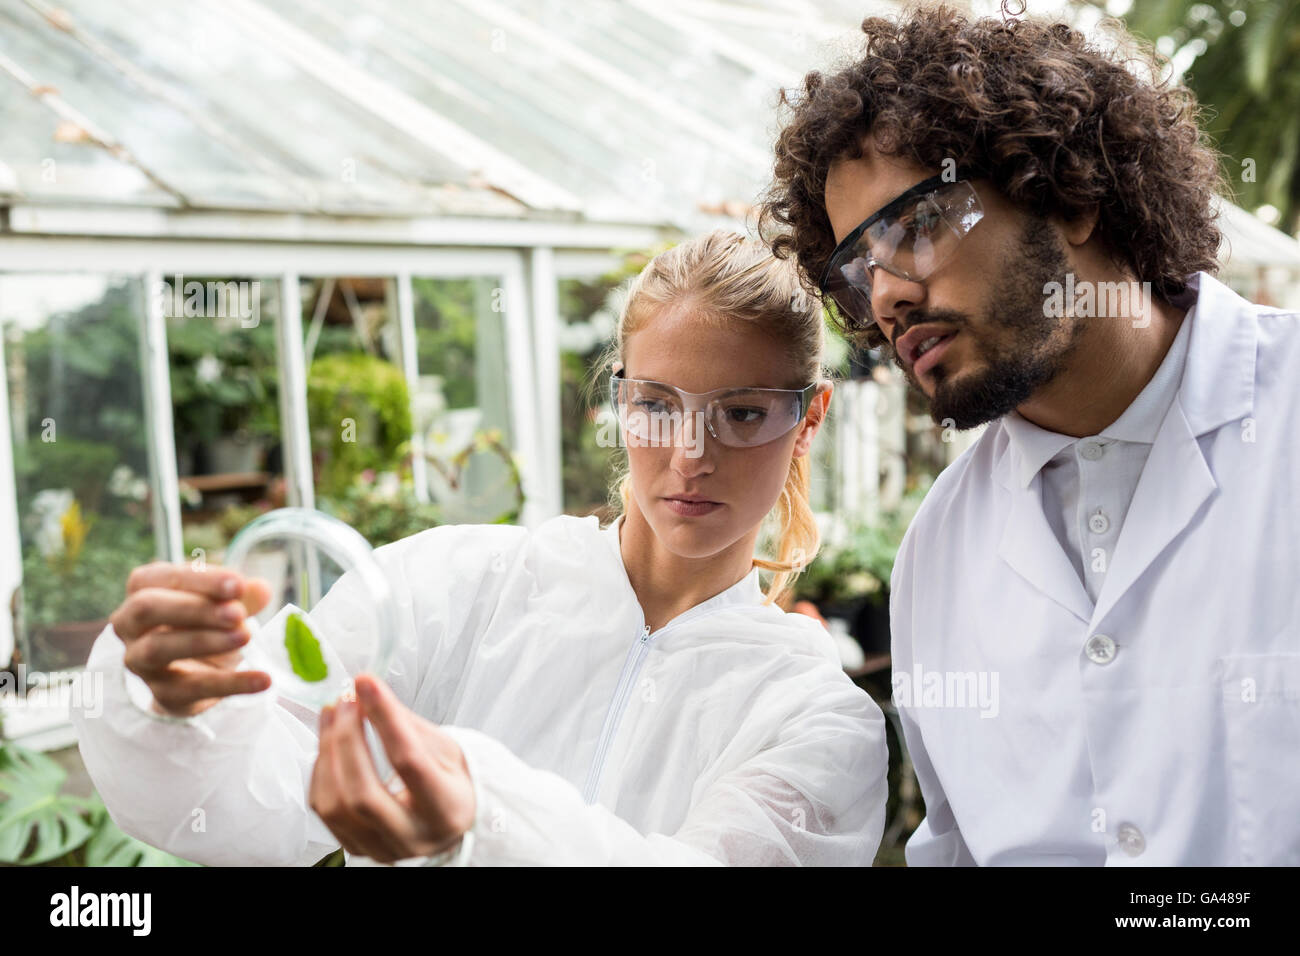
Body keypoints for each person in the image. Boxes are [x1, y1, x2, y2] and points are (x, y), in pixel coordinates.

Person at [72, 230, 888, 867]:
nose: (689, 455)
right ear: (619, 397)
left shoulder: (812, 719)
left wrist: (479, 822)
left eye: (742, 413)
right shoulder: (445, 588)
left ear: (809, 416)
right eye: (657, 405)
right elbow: (245, 798)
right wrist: (172, 705)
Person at [759, 2, 1300, 865]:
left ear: (1070, 194)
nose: (888, 295)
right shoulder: (938, 554)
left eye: (918, 226)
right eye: (858, 268)